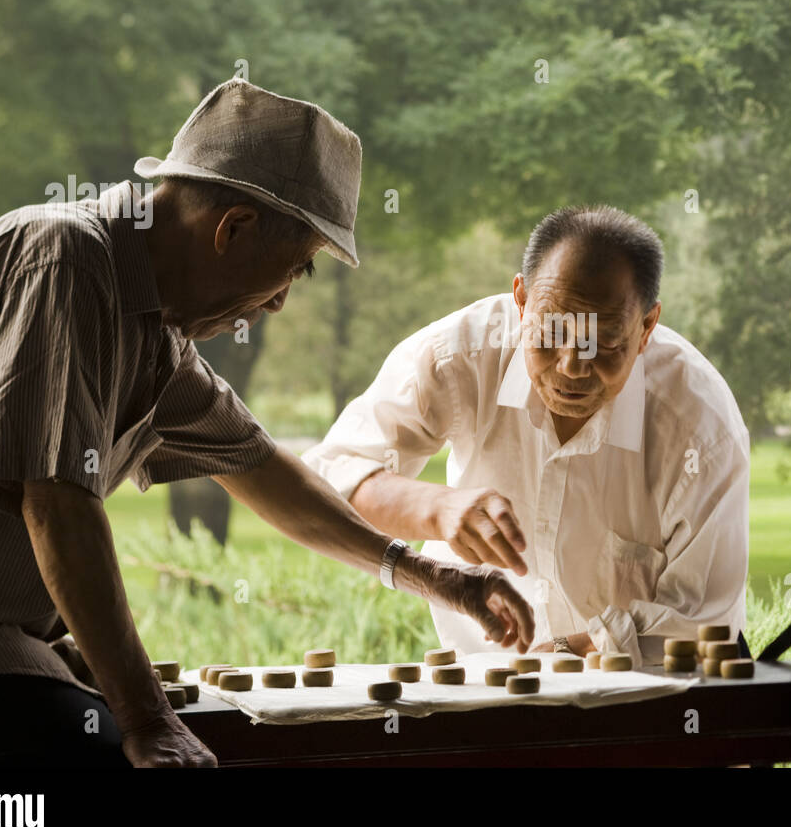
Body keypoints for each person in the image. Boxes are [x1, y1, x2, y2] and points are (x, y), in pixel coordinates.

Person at [0, 78, 533, 768]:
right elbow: (56, 503)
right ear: (234, 229)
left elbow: (261, 468)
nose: (281, 302)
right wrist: (146, 719)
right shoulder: (67, 260)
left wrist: (437, 579)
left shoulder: (153, 333)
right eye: (295, 270)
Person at [305, 205, 750, 667]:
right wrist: (435, 509)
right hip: (483, 684)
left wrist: (560, 654)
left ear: (646, 328)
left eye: (604, 344)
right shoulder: (460, 355)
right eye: (549, 333)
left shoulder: (700, 426)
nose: (571, 367)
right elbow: (330, 478)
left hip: (646, 696)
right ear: (520, 301)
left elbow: (702, 623)